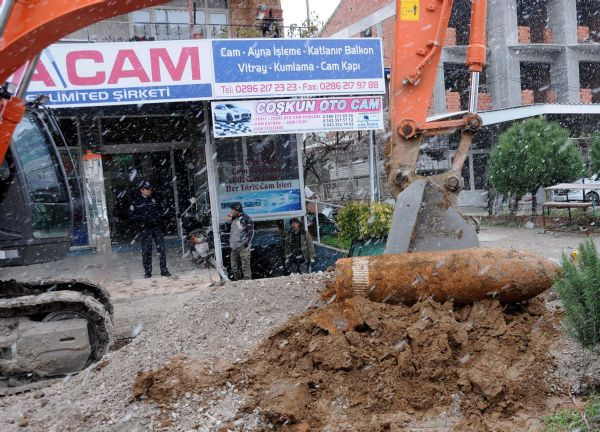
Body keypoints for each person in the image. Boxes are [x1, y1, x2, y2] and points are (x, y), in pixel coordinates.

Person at [129, 180, 171, 278]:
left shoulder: (154, 200)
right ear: (142, 190)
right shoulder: (136, 202)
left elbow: (161, 211)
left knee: (161, 250)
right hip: (146, 229)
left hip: (156, 228)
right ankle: (148, 272)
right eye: (147, 189)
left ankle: (164, 270)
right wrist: (143, 220)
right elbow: (131, 217)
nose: (149, 191)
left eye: (150, 189)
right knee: (146, 251)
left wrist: (159, 219)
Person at [225, 202, 254, 280]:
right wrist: (228, 221)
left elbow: (251, 232)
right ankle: (238, 282)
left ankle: (248, 282)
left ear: (236, 210)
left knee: (245, 266)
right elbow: (228, 229)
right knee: (234, 267)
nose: (231, 212)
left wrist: (246, 243)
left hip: (243, 246)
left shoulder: (245, 218)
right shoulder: (234, 218)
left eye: (232, 210)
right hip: (234, 247)